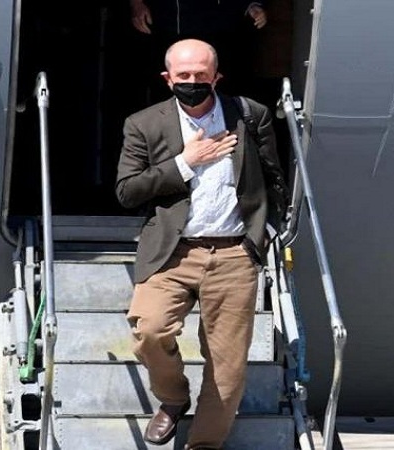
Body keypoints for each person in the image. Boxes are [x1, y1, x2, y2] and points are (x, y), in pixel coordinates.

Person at [115, 38, 288, 449]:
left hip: (233, 252)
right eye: (184, 75)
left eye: (201, 75)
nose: (192, 82)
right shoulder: (144, 124)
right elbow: (127, 191)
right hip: (172, 252)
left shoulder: (249, 115)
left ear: (216, 76)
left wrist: (263, 234)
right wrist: (184, 163)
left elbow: (273, 177)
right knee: (150, 330)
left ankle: (205, 443)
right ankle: (174, 398)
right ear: (167, 78)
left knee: (227, 365)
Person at [128, 0, 268, 103]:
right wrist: (137, 3)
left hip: (221, 28)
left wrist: (251, 4)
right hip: (170, 25)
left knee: (223, 85)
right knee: (171, 86)